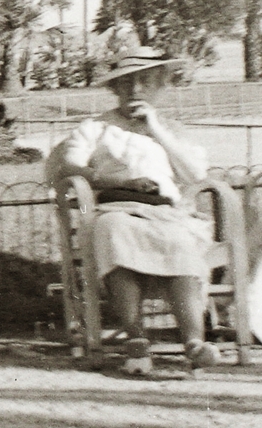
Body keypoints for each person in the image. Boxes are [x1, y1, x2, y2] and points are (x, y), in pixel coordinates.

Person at [50, 49, 217, 374]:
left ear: (160, 85)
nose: (135, 90)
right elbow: (68, 167)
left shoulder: (171, 129)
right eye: (126, 83)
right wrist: (114, 180)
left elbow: (196, 174)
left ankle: (194, 342)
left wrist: (156, 128)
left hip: (166, 212)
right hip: (115, 207)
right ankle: (135, 337)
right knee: (114, 231)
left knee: (181, 243)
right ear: (115, 88)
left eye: (145, 82)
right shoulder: (95, 127)